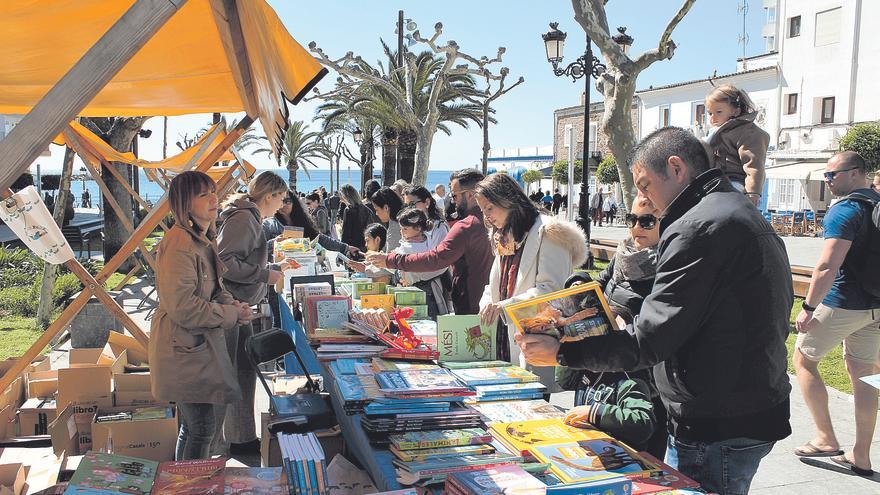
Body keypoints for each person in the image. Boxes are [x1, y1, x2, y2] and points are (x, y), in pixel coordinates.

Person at [517, 127, 793, 495]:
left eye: (645, 185)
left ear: (676, 169)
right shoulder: (732, 207)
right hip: (745, 404)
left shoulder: (697, 226)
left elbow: (652, 336)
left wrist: (565, 352)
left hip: (719, 418)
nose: (644, 198)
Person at [149, 171, 253, 460]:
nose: (213, 198)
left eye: (213, 191)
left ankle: (185, 481)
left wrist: (234, 306)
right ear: (185, 203)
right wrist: (230, 314)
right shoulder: (180, 243)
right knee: (201, 427)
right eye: (203, 194)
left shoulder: (202, 238)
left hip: (195, 347)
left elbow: (213, 288)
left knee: (197, 428)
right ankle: (189, 484)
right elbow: (183, 306)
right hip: (182, 349)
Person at [792, 151, 880, 477]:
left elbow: (828, 265)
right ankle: (862, 456)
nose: (827, 181)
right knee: (865, 376)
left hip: (842, 303)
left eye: (832, 175)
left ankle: (826, 438)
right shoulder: (877, 204)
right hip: (875, 308)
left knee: (803, 360)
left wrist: (808, 308)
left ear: (855, 173)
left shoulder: (846, 209)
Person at [562, 198, 667, 459]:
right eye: (631, 219)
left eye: (646, 221)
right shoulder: (625, 254)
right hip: (607, 362)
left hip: (640, 375)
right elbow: (599, 285)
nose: (636, 228)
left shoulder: (669, 264)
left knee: (641, 456)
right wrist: (578, 283)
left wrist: (628, 328)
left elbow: (663, 322)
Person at [476, 173, 588, 390]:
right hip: (506, 337)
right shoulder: (505, 233)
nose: (486, 217)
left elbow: (552, 292)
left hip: (541, 341)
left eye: (489, 208)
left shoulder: (549, 232)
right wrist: (488, 304)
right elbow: (496, 282)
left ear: (508, 199)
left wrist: (503, 306)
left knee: (535, 402)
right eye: (482, 210)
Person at [216, 171, 289, 456]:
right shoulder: (245, 218)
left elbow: (240, 255)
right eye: (281, 198)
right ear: (269, 195)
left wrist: (269, 263)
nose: (282, 205)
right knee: (239, 373)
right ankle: (238, 439)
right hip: (234, 306)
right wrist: (263, 273)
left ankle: (240, 435)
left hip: (238, 304)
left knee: (243, 372)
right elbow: (224, 261)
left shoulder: (247, 216)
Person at [366, 169, 492, 315]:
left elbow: (437, 258)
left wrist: (391, 260)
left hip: (470, 303)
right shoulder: (492, 222)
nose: (452, 200)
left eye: (454, 195)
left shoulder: (467, 226)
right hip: (487, 303)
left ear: (470, 195)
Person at [705, 85, 770, 207]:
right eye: (709, 113)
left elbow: (754, 165)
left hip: (736, 181)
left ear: (736, 111)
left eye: (718, 112)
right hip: (717, 179)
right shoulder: (715, 132)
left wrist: (753, 192)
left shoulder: (747, 132)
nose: (712, 118)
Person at [393, 207, 453, 318]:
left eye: (405, 229)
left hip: (423, 289)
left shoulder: (412, 246)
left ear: (418, 228)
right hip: (423, 287)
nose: (401, 232)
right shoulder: (426, 239)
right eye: (401, 229)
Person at [340, 184, 378, 252]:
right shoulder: (366, 209)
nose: (341, 198)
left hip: (352, 248)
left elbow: (346, 234)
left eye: (342, 195)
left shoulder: (348, 210)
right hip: (365, 245)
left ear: (346, 196)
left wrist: (342, 252)